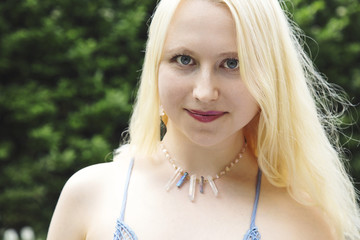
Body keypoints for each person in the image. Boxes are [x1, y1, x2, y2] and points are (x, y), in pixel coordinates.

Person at [46, 0, 360, 239]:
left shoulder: (304, 220)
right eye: (185, 60)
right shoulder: (89, 194)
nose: (205, 92)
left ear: (270, 76)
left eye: (233, 63)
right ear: (155, 66)